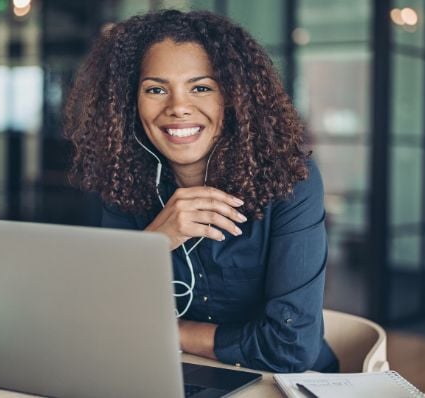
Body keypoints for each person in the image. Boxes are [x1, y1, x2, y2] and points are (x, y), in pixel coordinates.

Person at [64, 9, 338, 373]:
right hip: (168, 376)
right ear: (130, 102)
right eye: (156, 89)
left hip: (283, 383)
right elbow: (102, 318)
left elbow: (291, 347)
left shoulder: (291, 181)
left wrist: (170, 332)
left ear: (234, 98)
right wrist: (155, 243)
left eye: (201, 87)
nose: (178, 107)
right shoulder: (124, 181)